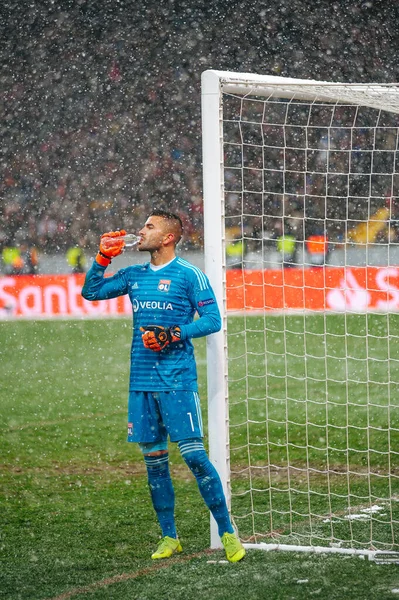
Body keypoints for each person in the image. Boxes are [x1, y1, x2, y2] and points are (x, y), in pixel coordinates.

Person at [81, 209, 245, 563]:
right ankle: (170, 537)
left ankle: (228, 532)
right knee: (154, 463)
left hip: (176, 381)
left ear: (168, 237)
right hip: (140, 383)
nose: (141, 232)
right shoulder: (134, 276)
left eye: (149, 227)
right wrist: (101, 258)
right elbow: (90, 292)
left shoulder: (189, 275)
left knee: (195, 458)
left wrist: (173, 334)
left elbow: (213, 320)